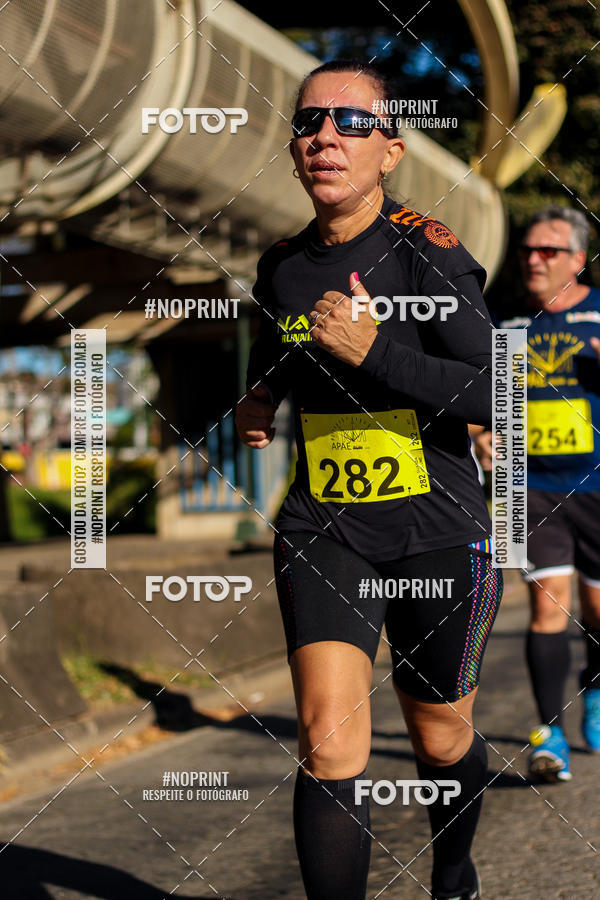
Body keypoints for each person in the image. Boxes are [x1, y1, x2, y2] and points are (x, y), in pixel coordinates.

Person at [235, 59, 503, 900]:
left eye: (350, 124)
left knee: (440, 734)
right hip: (327, 525)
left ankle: (452, 870)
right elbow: (280, 342)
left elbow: (499, 389)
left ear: (388, 151)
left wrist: (377, 353)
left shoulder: (428, 255)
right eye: (309, 122)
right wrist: (265, 392)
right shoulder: (281, 264)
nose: (324, 138)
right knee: (328, 739)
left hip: (436, 528)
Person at [475, 206, 600, 783]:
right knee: (547, 608)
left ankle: (594, 692)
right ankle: (549, 734)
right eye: (528, 249)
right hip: (528, 486)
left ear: (578, 259)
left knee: (597, 614)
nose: (533, 258)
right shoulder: (504, 323)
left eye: (548, 250)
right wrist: (481, 436)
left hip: (598, 486)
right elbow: (481, 400)